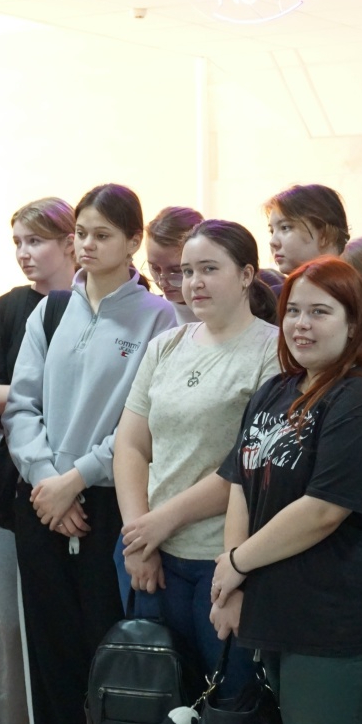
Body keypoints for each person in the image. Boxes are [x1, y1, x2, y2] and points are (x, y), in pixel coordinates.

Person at [210, 256, 362, 724]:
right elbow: (241, 483)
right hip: (280, 614)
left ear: (354, 324)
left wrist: (236, 563)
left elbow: (324, 510)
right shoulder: (276, 390)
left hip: (339, 624)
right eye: (293, 311)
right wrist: (233, 579)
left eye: (320, 312)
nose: (301, 324)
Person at [3, 183, 177, 724]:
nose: (87, 245)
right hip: (43, 501)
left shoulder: (159, 319)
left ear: (133, 241)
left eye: (103, 235)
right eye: (81, 233)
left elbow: (141, 424)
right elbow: (21, 406)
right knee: (51, 660)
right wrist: (47, 480)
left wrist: (76, 478)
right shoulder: (51, 311)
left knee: (110, 656)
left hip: (109, 504)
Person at [114, 220, 279, 691]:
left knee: (227, 704)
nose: (194, 283)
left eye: (209, 269)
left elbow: (249, 465)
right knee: (157, 703)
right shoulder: (166, 345)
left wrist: (161, 522)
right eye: (187, 271)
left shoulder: (272, 351)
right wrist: (139, 538)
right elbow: (131, 444)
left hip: (224, 559)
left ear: (246, 275)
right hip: (153, 557)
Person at [0, 197, 77, 724]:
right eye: (17, 242)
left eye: (35, 241)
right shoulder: (9, 309)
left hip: (84, 482)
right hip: (13, 480)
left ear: (70, 242)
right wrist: (30, 396)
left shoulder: (93, 308)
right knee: (7, 622)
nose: (24, 253)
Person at [264, 183, 362, 364]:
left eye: (286, 227)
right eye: (272, 230)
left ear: (326, 233)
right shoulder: (277, 295)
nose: (273, 241)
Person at [145, 206, 204, 324]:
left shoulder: (232, 314)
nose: (162, 283)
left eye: (176, 270)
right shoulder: (147, 315)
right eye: (155, 268)